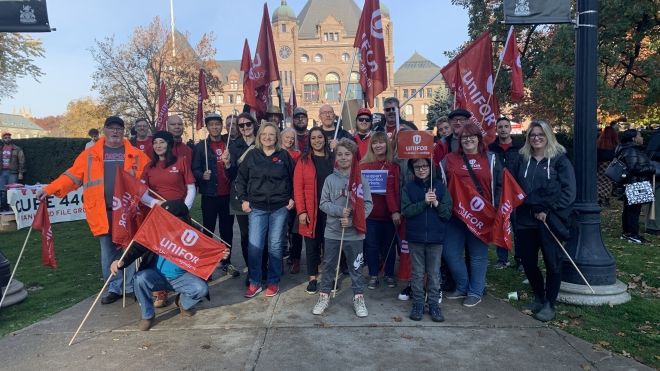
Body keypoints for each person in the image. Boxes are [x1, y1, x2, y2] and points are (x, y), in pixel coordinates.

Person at [39, 116, 151, 304]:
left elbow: (150, 178)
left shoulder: (136, 155)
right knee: (108, 252)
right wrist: (49, 190)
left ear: (123, 131)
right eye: (111, 128)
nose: (115, 131)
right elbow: (72, 177)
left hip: (127, 211)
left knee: (128, 249)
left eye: (119, 128)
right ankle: (114, 287)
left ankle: (130, 286)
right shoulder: (90, 155)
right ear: (104, 130)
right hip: (102, 211)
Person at [110, 201, 224, 331]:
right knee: (140, 278)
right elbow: (137, 248)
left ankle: (183, 303)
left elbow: (207, 254)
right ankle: (147, 315)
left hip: (182, 277)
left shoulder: (195, 234)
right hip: (156, 275)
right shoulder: (155, 231)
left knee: (201, 288)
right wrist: (122, 260)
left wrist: (220, 255)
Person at [515, 120, 576, 322]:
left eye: (540, 134)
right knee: (528, 262)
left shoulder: (560, 160)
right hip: (526, 220)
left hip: (548, 220)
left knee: (553, 262)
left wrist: (549, 210)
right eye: (532, 135)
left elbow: (568, 192)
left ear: (548, 135)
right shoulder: (523, 159)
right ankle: (539, 297)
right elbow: (515, 187)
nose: (536, 138)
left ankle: (550, 303)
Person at [441, 122, 501, 308]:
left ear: (478, 138)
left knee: (477, 255)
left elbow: (500, 184)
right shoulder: (449, 159)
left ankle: (475, 291)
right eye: (464, 137)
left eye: (471, 136)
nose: (468, 139)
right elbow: (440, 181)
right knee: (450, 253)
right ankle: (463, 286)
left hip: (480, 216)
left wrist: (496, 208)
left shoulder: (491, 158)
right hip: (456, 215)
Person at [312, 138, 373, 317]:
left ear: (354, 156)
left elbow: (368, 204)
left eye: (347, 154)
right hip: (332, 233)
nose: (344, 158)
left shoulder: (360, 179)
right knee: (329, 265)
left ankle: (358, 298)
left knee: (355, 268)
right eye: (340, 154)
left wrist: (353, 220)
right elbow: (323, 203)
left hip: (355, 234)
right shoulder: (330, 179)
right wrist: (340, 211)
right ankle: (324, 296)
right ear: (335, 157)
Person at [235, 122, 295, 298]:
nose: (267, 137)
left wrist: (292, 198)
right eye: (264, 134)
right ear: (259, 136)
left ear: (277, 137)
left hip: (279, 207)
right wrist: (243, 199)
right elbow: (240, 179)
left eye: (271, 134)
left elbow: (293, 179)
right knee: (255, 246)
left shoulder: (283, 156)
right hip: (257, 207)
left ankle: (273, 281)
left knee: (275, 246)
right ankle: (255, 281)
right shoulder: (252, 155)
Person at [142, 130, 196, 307]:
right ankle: (160, 291)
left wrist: (183, 209)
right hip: (158, 216)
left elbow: (191, 187)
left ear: (169, 144)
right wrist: (158, 206)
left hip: (180, 216)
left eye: (162, 142)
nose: (158, 146)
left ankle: (183, 291)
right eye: (155, 142)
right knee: (160, 252)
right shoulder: (149, 167)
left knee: (181, 252)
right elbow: (142, 193)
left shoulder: (181, 162)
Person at [402, 157, 452, 322]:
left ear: (430, 167)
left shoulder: (440, 187)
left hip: (435, 238)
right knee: (416, 273)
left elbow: (447, 213)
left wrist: (436, 202)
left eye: (424, 166)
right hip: (415, 237)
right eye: (417, 166)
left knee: (434, 273)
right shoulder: (408, 188)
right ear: (412, 169)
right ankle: (417, 303)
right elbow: (407, 211)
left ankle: (433, 305)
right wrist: (424, 202)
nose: (421, 169)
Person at [193, 113, 239, 278]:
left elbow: (235, 171)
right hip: (210, 195)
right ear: (207, 127)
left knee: (227, 231)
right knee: (208, 230)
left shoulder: (230, 145)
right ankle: (207, 264)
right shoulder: (201, 147)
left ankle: (226, 262)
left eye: (217, 124)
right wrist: (201, 175)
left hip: (227, 195)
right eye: (211, 124)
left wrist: (228, 164)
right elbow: (195, 168)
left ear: (222, 126)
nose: (215, 127)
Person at [294, 127, 335, 294]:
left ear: (325, 139)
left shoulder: (333, 159)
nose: (317, 141)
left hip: (331, 210)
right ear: (309, 141)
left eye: (320, 137)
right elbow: (298, 188)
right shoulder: (304, 161)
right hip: (311, 211)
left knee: (330, 246)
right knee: (311, 245)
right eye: (313, 138)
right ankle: (312, 278)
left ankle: (329, 277)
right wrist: (301, 211)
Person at [360, 131, 401, 289]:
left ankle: (389, 274)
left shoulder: (394, 166)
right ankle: (373, 274)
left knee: (388, 246)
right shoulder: (363, 166)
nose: (378, 145)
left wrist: (396, 210)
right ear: (371, 146)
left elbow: (396, 190)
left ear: (387, 144)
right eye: (375, 143)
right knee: (371, 246)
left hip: (389, 214)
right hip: (370, 215)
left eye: (381, 142)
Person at [488, 117, 523, 271]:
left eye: (505, 126)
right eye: (500, 126)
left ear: (510, 128)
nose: (503, 129)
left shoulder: (520, 148)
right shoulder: (491, 149)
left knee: (518, 228)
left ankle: (520, 259)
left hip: (516, 194)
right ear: (496, 129)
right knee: (501, 226)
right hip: (499, 194)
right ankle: (502, 259)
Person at [228, 113, 259, 284]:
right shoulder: (233, 146)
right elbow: (232, 175)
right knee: (247, 235)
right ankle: (252, 270)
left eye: (248, 124)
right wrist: (227, 165)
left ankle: (263, 267)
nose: (245, 128)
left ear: (254, 124)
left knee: (263, 234)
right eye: (241, 126)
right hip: (240, 196)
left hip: (261, 194)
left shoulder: (262, 142)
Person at [616, 129, 656, 244]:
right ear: (634, 138)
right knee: (633, 210)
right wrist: (651, 168)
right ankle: (633, 234)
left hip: (631, 183)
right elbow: (633, 168)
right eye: (640, 136)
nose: (642, 138)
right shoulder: (631, 150)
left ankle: (627, 232)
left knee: (629, 209)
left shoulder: (626, 149)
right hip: (634, 183)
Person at [280, 127, 303, 273]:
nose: (289, 140)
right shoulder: (274, 152)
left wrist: (294, 197)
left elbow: (299, 178)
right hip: (278, 197)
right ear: (281, 137)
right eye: (287, 137)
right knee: (279, 231)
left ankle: (296, 259)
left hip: (293, 196)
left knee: (295, 231)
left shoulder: (298, 154)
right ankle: (279, 259)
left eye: (292, 138)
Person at [1, 132, 26, 211]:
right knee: (2, 191)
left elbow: (22, 161)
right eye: (5, 137)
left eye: (9, 137)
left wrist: (21, 173)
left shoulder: (17, 149)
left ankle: (12, 209)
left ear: (11, 138)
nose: (7, 139)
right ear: (2, 139)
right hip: (2, 173)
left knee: (12, 191)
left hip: (13, 173)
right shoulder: (0, 149)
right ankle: (3, 208)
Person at [596, 126, 619, 207]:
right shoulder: (615, 144)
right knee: (608, 182)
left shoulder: (599, 143)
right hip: (610, 166)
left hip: (600, 166)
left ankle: (599, 196)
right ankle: (606, 199)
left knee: (600, 181)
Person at [645, 128, 660, 235]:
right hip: (657, 172)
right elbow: (651, 153)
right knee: (655, 199)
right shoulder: (657, 135)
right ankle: (652, 226)